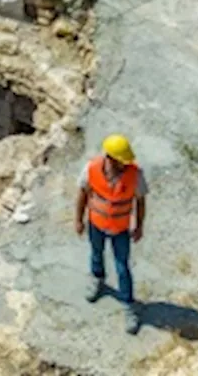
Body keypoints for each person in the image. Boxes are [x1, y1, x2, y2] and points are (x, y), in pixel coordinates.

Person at [74, 133, 147, 335]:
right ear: (111, 158)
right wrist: (79, 220)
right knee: (96, 254)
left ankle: (128, 305)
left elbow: (140, 201)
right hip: (96, 224)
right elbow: (82, 194)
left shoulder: (135, 175)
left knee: (122, 267)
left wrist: (139, 225)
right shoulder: (91, 169)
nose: (124, 165)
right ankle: (97, 279)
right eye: (121, 161)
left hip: (120, 229)